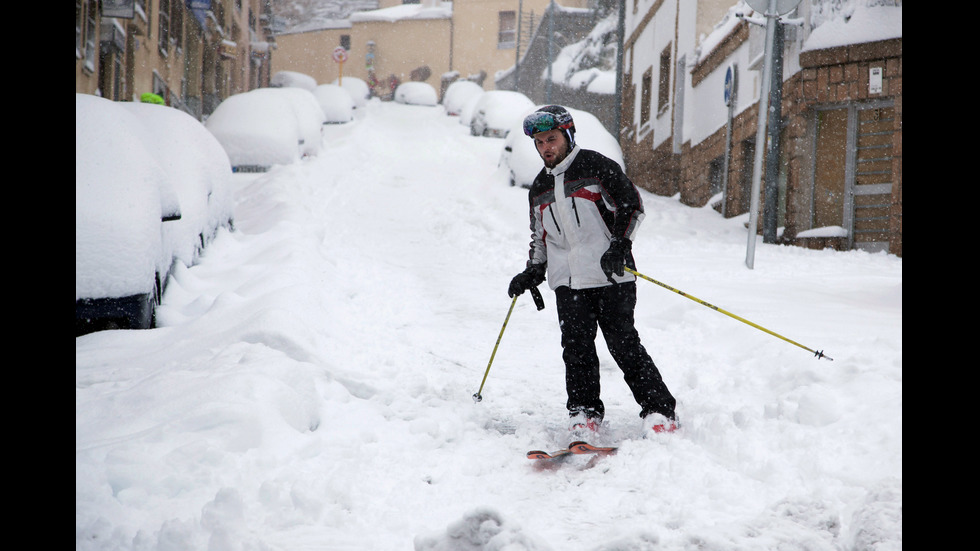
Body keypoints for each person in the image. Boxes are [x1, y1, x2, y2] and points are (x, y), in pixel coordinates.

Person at [508, 105, 677, 436]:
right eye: (540, 142)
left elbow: (631, 206)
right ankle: (584, 413)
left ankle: (659, 411)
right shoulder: (539, 187)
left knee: (623, 344)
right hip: (568, 283)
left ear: (568, 135)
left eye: (552, 139)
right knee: (576, 349)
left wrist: (620, 246)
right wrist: (534, 270)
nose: (546, 147)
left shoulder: (597, 167)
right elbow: (540, 236)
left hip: (610, 274)